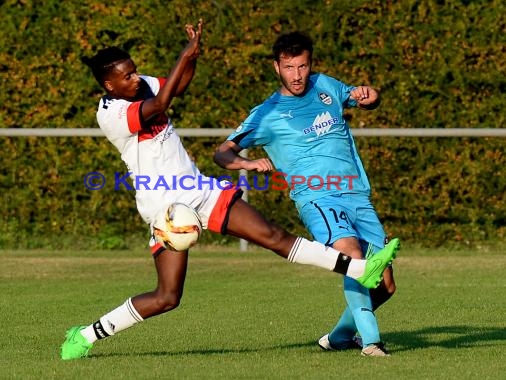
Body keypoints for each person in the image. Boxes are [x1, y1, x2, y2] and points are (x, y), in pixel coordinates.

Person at [61, 21, 399, 360]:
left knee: (272, 235)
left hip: (201, 190)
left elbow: (177, 87)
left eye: (135, 72)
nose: (136, 78)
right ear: (109, 84)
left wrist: (192, 57)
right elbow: (161, 105)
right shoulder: (112, 113)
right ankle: (86, 334)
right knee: (167, 297)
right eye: (128, 76)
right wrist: (183, 54)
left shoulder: (140, 86)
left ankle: (358, 269)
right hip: (164, 204)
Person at [214, 31, 397, 357]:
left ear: (310, 64)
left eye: (302, 66)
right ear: (276, 67)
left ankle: (340, 336)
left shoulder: (326, 86)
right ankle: (372, 343)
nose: (297, 75)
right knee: (353, 258)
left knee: (385, 285)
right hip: (317, 197)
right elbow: (223, 152)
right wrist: (249, 162)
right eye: (289, 67)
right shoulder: (266, 114)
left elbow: (363, 97)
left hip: (356, 193)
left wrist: (372, 95)